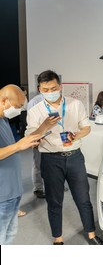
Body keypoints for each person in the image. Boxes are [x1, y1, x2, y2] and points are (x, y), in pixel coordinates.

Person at [25, 70, 103, 245]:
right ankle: (58, 238)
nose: (50, 92)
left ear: (60, 86)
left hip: (74, 157)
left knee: (83, 198)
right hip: (50, 159)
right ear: (39, 89)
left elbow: (86, 127)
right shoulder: (34, 111)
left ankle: (91, 234)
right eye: (45, 89)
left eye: (53, 88)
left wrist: (76, 135)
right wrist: (44, 126)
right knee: (54, 201)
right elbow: (31, 138)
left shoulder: (75, 104)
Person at [0, 84, 41, 245]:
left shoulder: (3, 119)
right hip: (2, 195)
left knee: (9, 236)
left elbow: (9, 149)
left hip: (12, 192)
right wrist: (18, 146)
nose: (18, 111)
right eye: (17, 107)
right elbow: (13, 148)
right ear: (4, 100)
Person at [27, 91, 45, 199]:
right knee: (38, 164)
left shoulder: (58, 101)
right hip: (39, 137)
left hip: (53, 138)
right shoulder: (34, 102)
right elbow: (30, 122)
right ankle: (38, 188)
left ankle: (55, 185)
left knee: (53, 165)